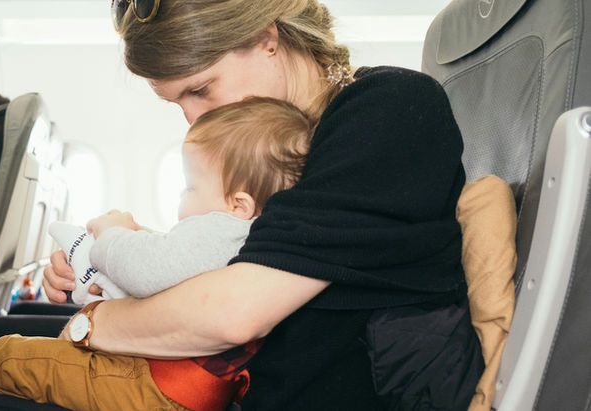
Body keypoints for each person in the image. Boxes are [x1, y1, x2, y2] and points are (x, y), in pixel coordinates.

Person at [36, 0, 484, 409]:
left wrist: (93, 322)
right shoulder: (263, 145)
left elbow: (231, 315)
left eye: (201, 89)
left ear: (266, 40)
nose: (193, 118)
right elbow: (246, 256)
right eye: (176, 102)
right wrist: (108, 265)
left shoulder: (389, 109)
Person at [0, 97, 315, 411]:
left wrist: (113, 234)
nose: (183, 201)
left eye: (190, 188)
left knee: (23, 356)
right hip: (178, 387)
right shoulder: (254, 235)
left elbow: (147, 271)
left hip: (155, 389)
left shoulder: (224, 229)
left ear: (239, 204)